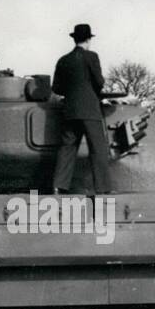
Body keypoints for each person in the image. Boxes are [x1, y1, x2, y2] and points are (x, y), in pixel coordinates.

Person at [50, 23, 112, 195]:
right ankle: (102, 188)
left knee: (67, 148)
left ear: (74, 38)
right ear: (88, 39)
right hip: (90, 110)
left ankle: (58, 186)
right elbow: (99, 82)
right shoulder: (92, 56)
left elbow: (56, 88)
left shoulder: (63, 60)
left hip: (70, 111)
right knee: (98, 148)